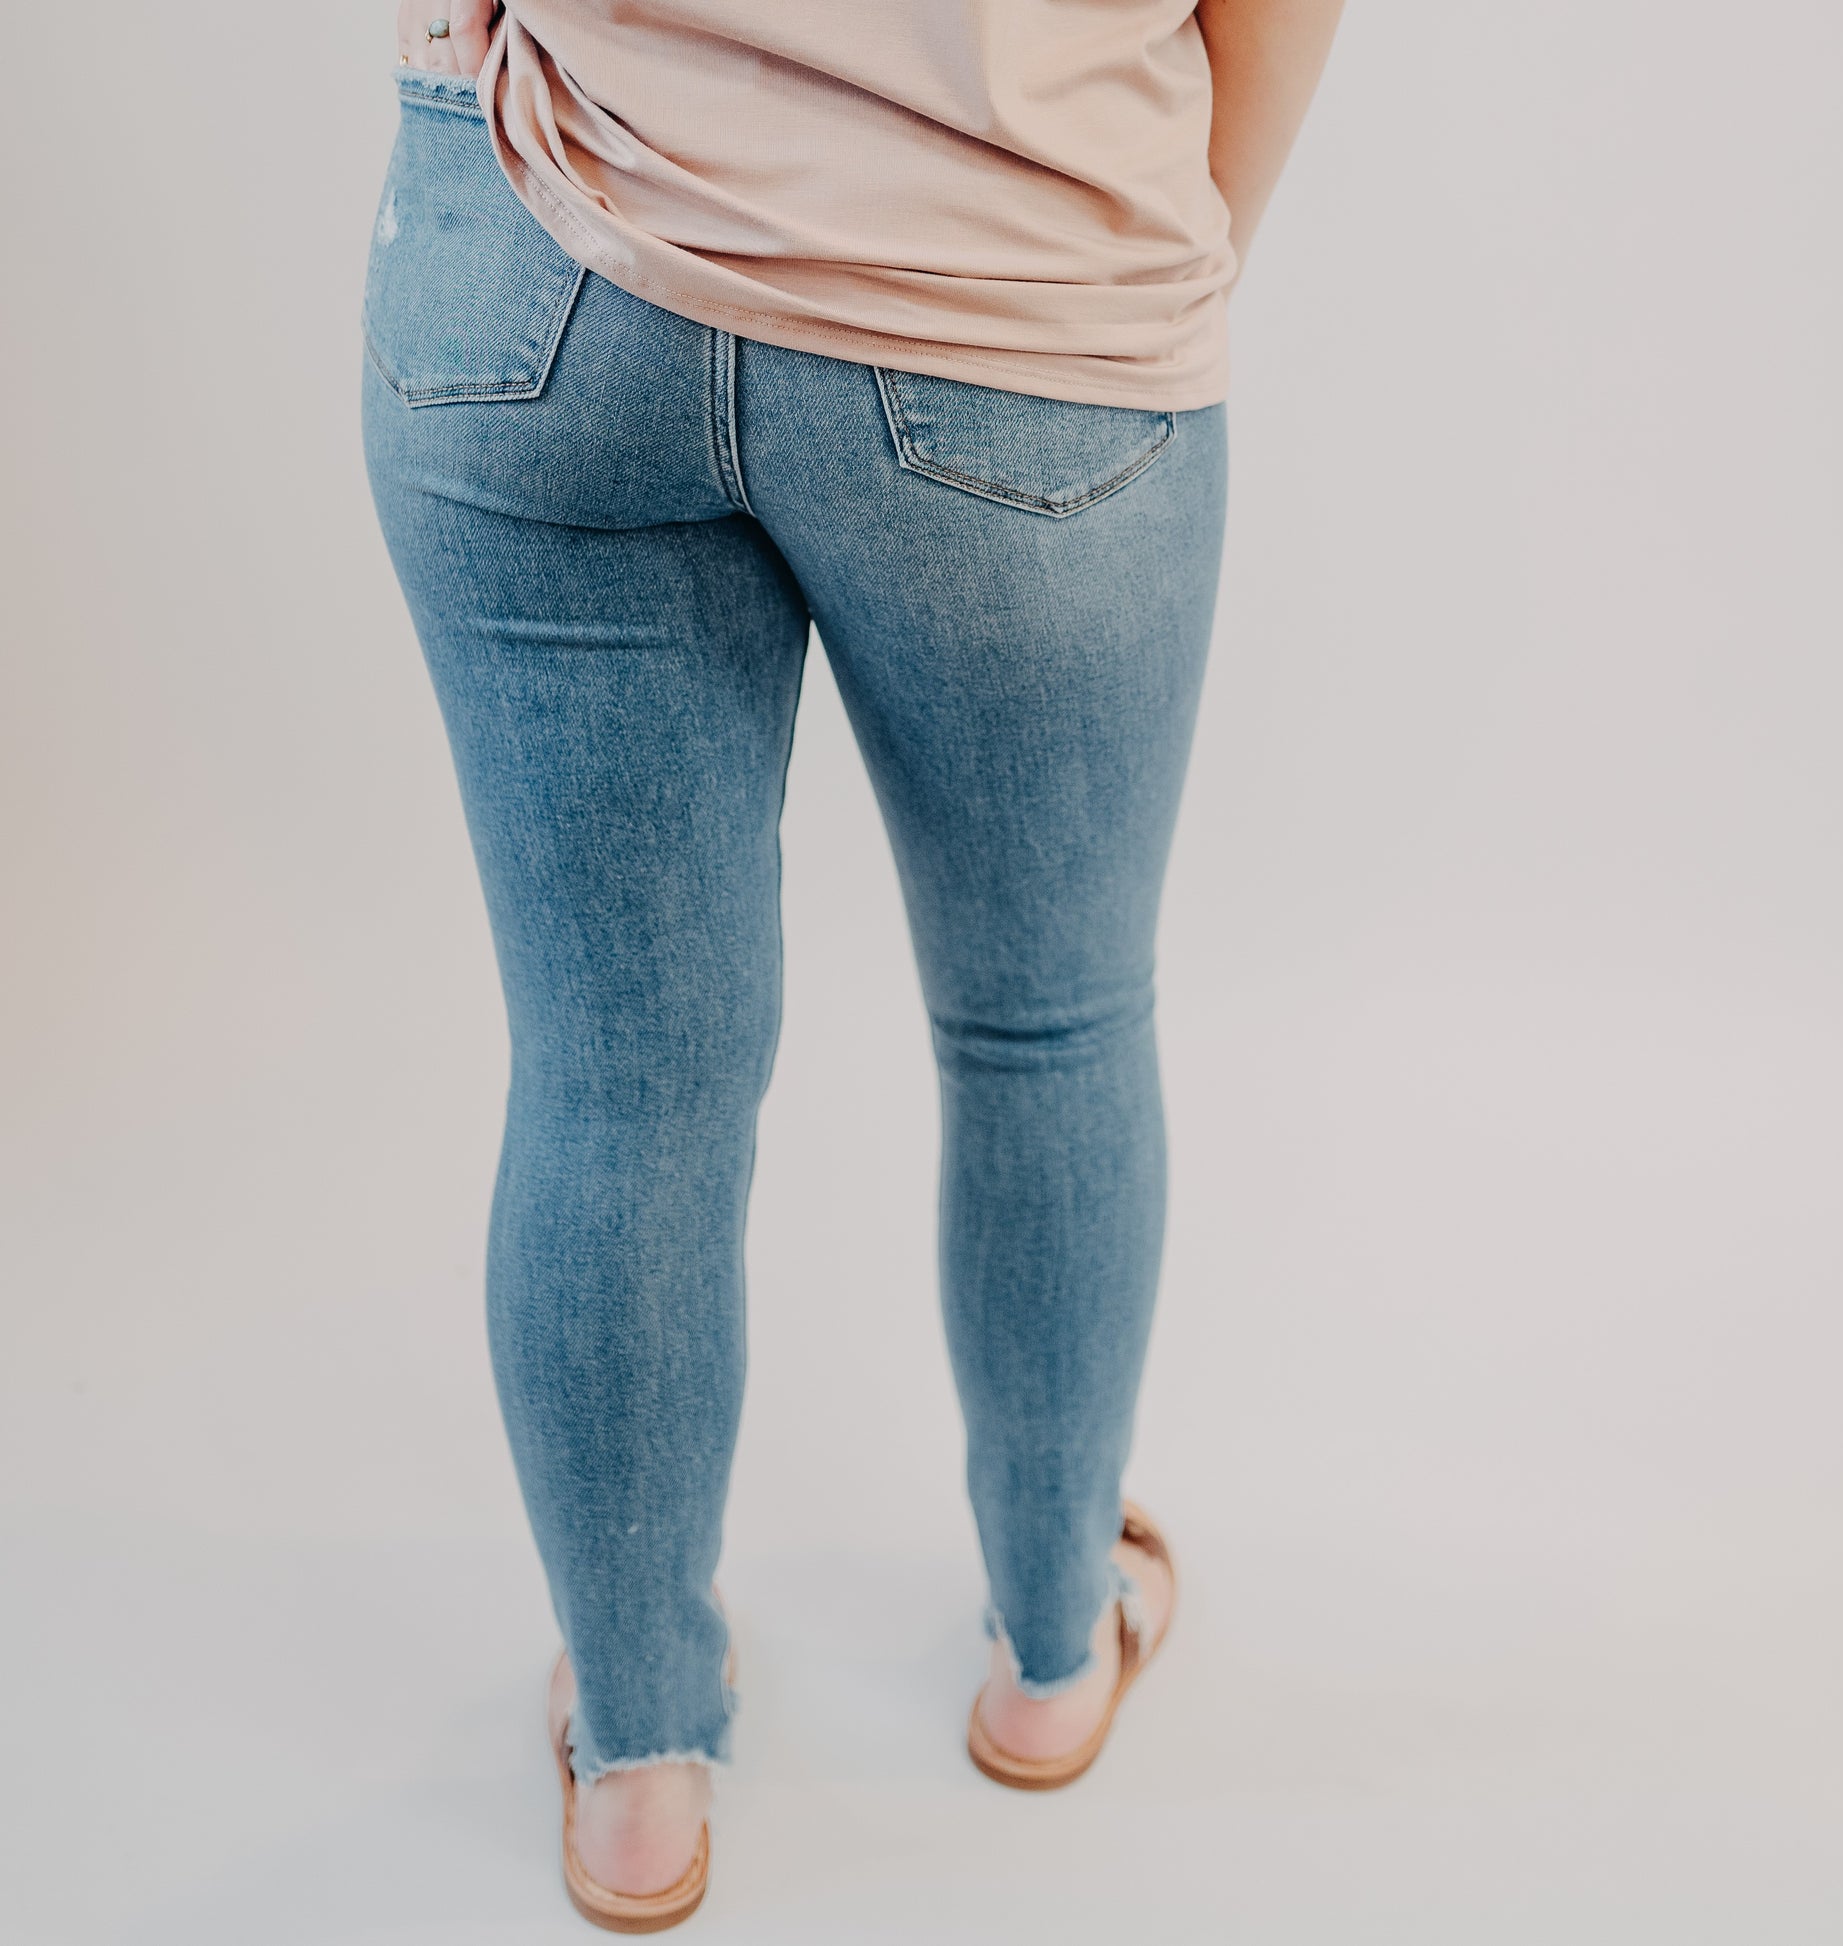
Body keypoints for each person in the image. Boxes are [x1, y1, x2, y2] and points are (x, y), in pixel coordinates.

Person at [366, 0, 1343, 1927]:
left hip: (549, 261)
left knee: (613, 1082)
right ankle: (1051, 1654)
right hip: (1022, 294)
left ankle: (636, 1763)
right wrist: (1147, 249)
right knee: (1048, 1023)